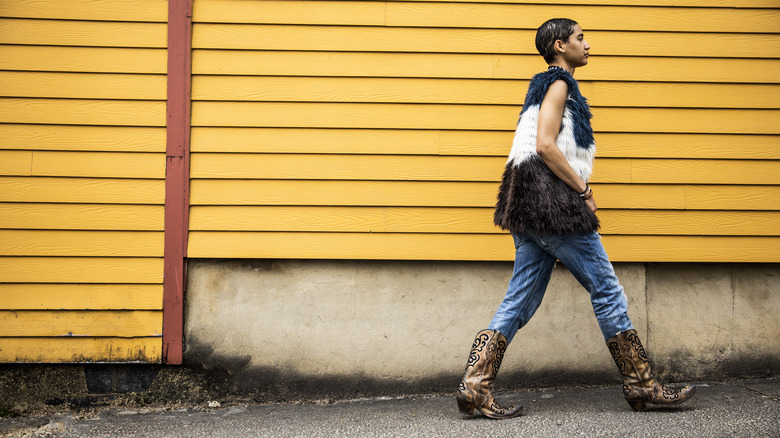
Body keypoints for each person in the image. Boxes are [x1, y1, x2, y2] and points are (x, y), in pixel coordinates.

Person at [455, 18, 696, 419]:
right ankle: (641, 383)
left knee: (520, 299)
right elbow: (546, 145)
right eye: (581, 38)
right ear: (559, 45)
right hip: (553, 207)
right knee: (607, 288)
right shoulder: (559, 83)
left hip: (525, 206)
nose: (588, 44)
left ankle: (475, 386)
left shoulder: (543, 86)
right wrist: (583, 192)